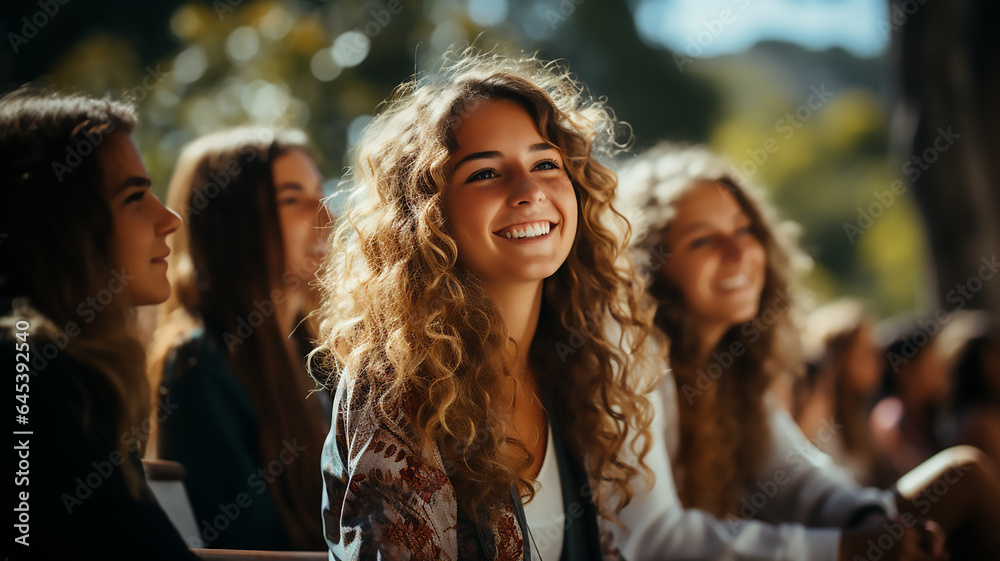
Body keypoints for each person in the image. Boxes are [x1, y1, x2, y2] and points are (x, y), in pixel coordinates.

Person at [311, 51, 663, 560]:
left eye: (546, 164)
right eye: (483, 174)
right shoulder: (396, 382)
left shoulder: (576, 368)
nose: (528, 191)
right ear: (427, 216)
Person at [615, 143, 1000, 561]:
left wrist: (877, 524)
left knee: (964, 474)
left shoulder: (736, 372)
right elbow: (656, 542)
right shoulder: (637, 360)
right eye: (703, 240)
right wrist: (843, 548)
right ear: (648, 263)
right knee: (965, 473)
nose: (739, 252)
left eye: (745, 230)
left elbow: (797, 482)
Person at [0, 88, 195, 559]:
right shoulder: (31, 370)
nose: (168, 218)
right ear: (62, 221)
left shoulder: (67, 364)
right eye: (134, 196)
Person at [148, 127, 331, 550]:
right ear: (229, 221)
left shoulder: (318, 351)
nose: (324, 216)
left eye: (320, 193)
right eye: (291, 198)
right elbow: (250, 545)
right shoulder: (198, 363)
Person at [796, 299, 897, 487]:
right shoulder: (817, 418)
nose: (878, 360)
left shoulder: (860, 414)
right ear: (838, 359)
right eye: (866, 352)